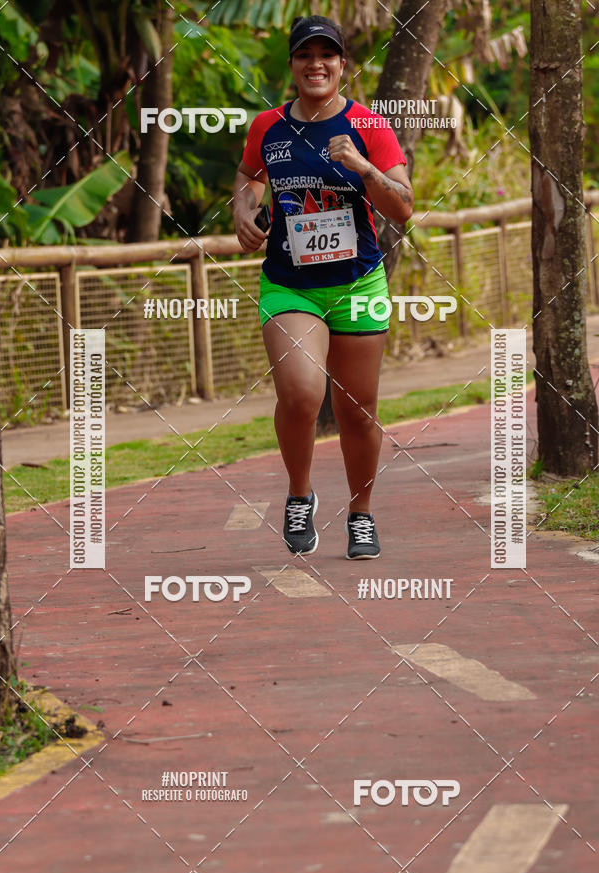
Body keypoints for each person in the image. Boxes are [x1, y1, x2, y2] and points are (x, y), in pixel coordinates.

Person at [233, 15, 413, 559]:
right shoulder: (268, 125)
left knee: (357, 409)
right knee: (302, 393)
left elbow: (403, 207)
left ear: (341, 65)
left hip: (356, 281)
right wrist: (243, 208)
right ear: (291, 65)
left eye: (327, 55)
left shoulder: (370, 126)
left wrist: (360, 166)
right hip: (290, 283)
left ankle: (361, 513)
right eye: (305, 55)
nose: (316, 64)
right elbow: (248, 176)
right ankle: (299, 494)